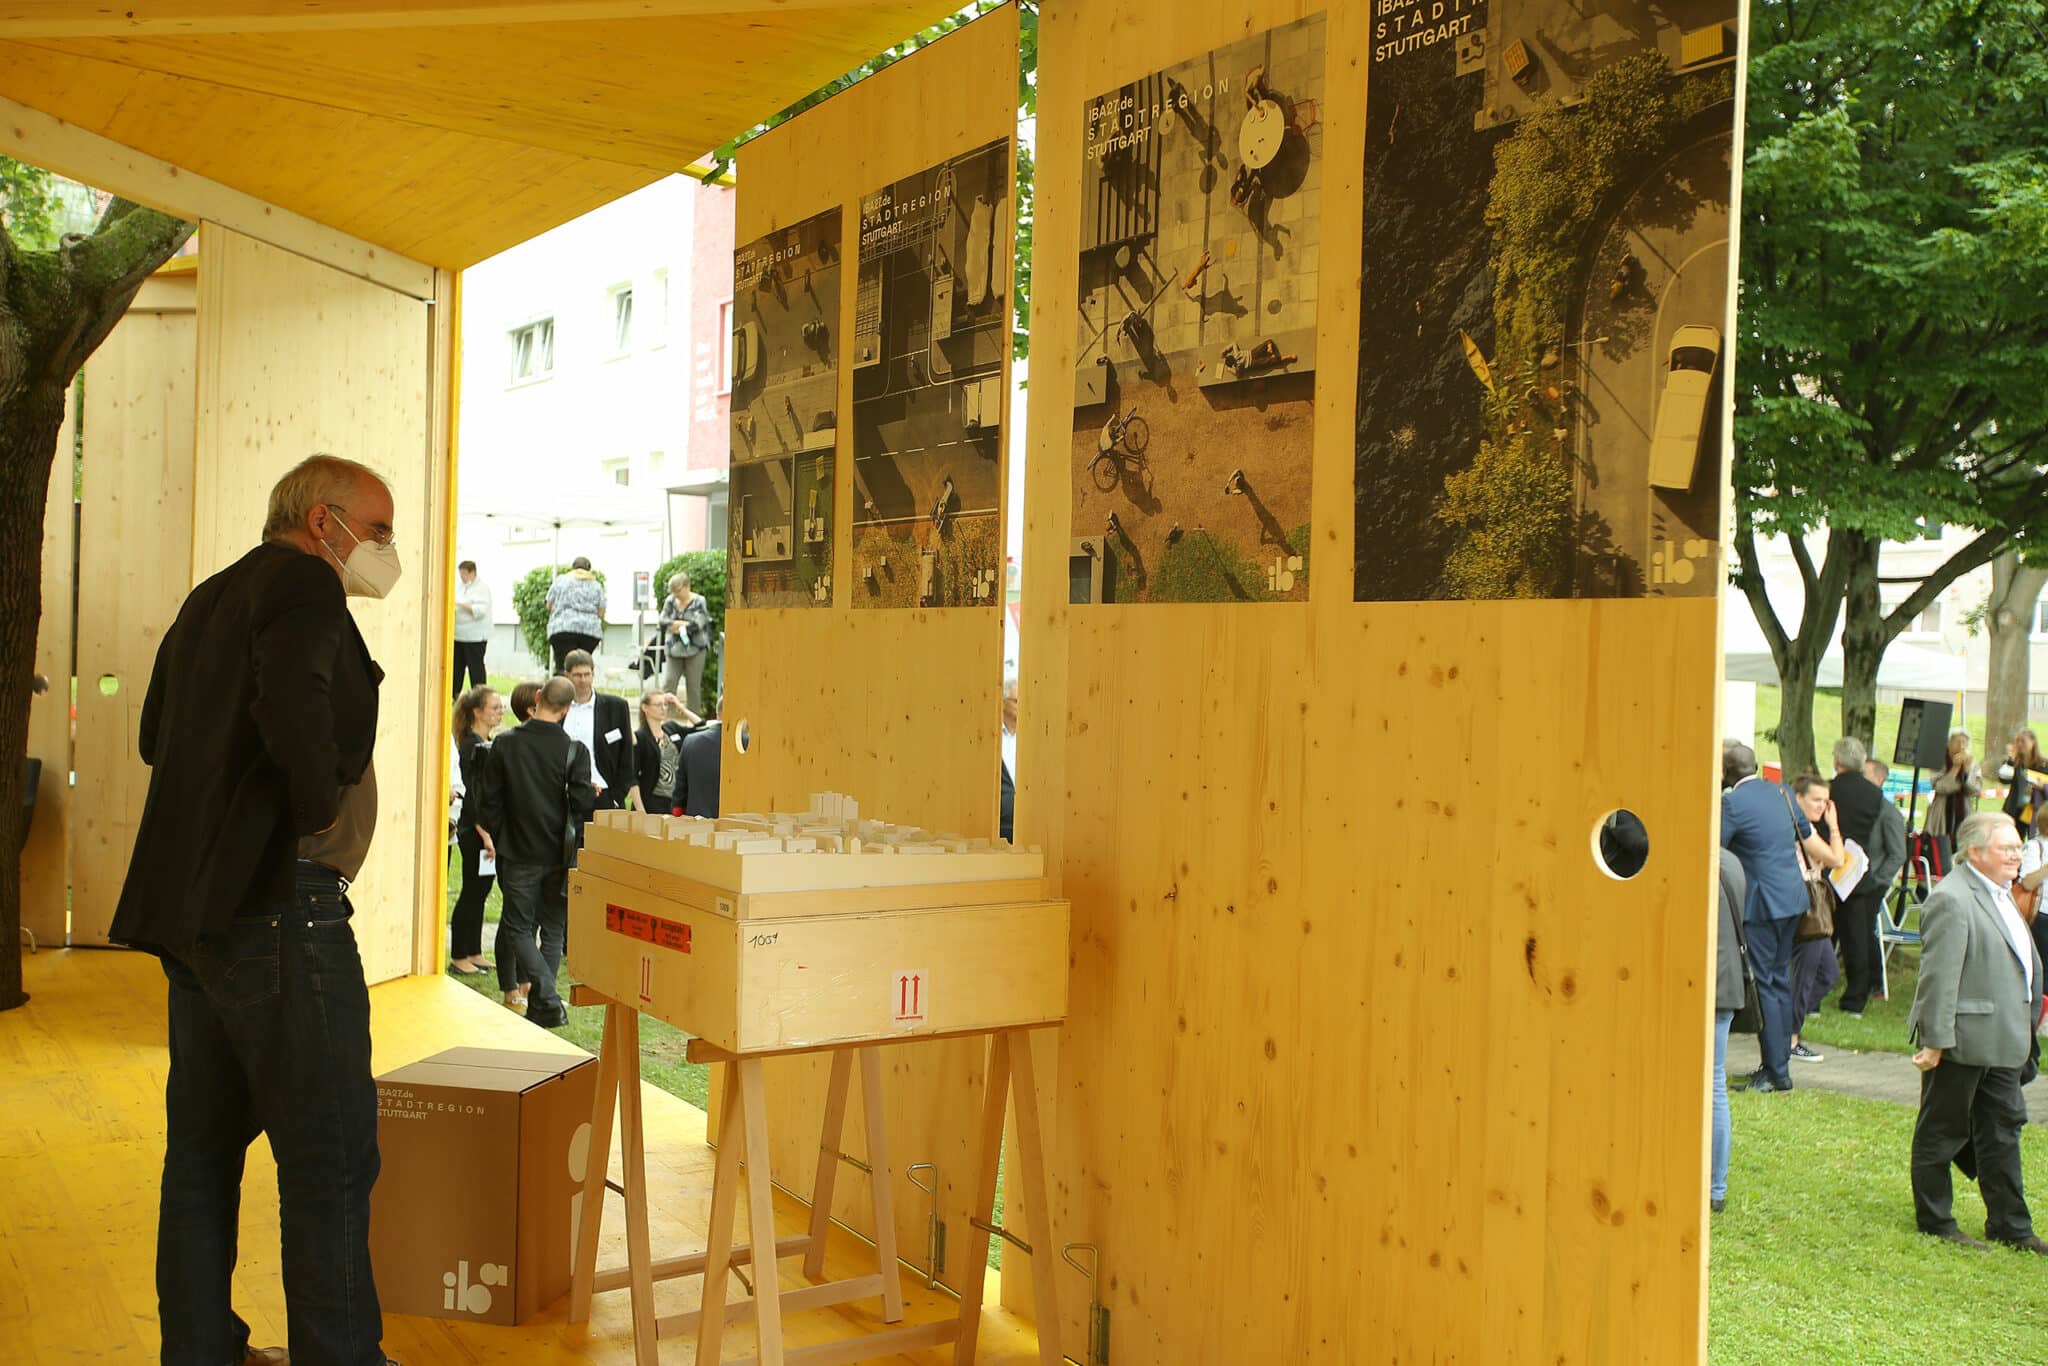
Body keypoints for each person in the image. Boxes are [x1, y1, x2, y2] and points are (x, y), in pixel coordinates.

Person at [109, 452, 402, 1366]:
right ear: (324, 521)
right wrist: (317, 807)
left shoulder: (214, 596)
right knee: (331, 1161)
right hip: (283, 912)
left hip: (203, 921)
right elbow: (291, 709)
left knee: (201, 1156)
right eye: (379, 529)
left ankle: (198, 1351)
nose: (387, 550)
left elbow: (157, 732)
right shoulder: (307, 588)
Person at [1907, 811, 2047, 1252]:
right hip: (1962, 1041)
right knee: (1942, 1129)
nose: (2016, 856)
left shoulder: (2004, 892)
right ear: (1975, 852)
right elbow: (1939, 977)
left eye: (2017, 848)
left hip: (2005, 1041)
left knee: (2003, 1129)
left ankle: (2011, 1225)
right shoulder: (1953, 897)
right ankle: (1935, 1220)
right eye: (2007, 848)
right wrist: (1934, 1042)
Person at [475, 676, 595, 1029]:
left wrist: (500, 834)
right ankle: (546, 1001)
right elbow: (583, 804)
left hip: (518, 851)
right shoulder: (575, 750)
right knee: (553, 929)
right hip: (560, 853)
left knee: (518, 926)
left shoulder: (505, 744)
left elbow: (489, 803)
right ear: (567, 708)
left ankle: (545, 999)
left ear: (539, 698)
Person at [1722, 740, 1837, 1092]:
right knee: (1779, 981)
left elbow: (1716, 850)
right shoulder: (1783, 793)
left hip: (1761, 905)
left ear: (1725, 771)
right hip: (1792, 898)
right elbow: (1804, 835)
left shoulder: (1732, 803)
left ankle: (1775, 1072)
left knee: (1766, 984)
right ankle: (1779, 1064)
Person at [1787, 773, 1846, 1062]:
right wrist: (1834, 827)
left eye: (1825, 801)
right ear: (1798, 799)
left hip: (1813, 904)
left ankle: (1784, 1027)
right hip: (1805, 906)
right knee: (1806, 972)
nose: (1822, 806)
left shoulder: (1807, 827)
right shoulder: (1800, 828)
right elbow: (1836, 859)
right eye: (1816, 800)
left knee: (1827, 972)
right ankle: (1789, 1035)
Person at [1850, 758, 1912, 1013]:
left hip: (1873, 882)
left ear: (1878, 778)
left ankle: (1873, 982)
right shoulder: (1863, 808)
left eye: (1864, 774)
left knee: (1865, 930)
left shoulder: (1888, 813)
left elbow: (1898, 853)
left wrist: (1877, 880)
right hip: (1854, 879)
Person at [449, 686, 503, 974]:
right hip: (474, 832)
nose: (500, 712)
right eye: (494, 707)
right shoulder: (470, 747)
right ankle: (459, 954)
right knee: (471, 890)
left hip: (487, 832)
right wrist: (484, 834)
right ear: (477, 712)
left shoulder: (486, 742)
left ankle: (474, 950)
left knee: (482, 889)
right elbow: (472, 797)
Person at [1711, 851, 1749, 1214]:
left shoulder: (1691, 859)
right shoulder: (1732, 861)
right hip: (1727, 985)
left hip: (1701, 986)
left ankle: (1713, 1184)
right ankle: (1714, 1187)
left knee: (1711, 1087)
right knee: (1715, 1084)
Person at [562, 649, 635, 812]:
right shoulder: (558, 707)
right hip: (565, 795)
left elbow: (626, 754)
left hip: (605, 794)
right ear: (567, 675)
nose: (583, 680)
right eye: (577, 675)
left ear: (593, 674)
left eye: (587, 674)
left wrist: (617, 795)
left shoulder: (616, 707)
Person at [633, 687, 700, 816]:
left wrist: (680, 706)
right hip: (652, 802)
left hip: (674, 802)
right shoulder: (640, 737)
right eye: (658, 705)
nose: (663, 708)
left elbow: (701, 727)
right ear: (645, 708)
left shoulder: (671, 728)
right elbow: (632, 778)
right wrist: (641, 812)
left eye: (665, 704)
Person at [659, 572, 715, 715]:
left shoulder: (699, 601)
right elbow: (663, 621)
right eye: (673, 591)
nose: (675, 594)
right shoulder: (670, 601)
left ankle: (694, 721)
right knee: (669, 683)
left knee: (693, 687)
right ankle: (665, 717)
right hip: (674, 649)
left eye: (678, 590)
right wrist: (680, 624)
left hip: (696, 649)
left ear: (687, 586)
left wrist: (678, 626)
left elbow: (699, 624)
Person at [545, 556, 607, 672]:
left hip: (562, 629)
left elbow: (549, 605)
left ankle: (562, 687)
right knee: (582, 665)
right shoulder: (596, 585)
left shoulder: (560, 581)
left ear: (572, 568)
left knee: (563, 666)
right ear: (589, 569)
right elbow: (601, 612)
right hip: (590, 632)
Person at [1926, 729, 1981, 843]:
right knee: (1940, 845)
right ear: (1949, 743)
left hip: (1964, 810)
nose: (1961, 746)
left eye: (1964, 742)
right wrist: (1955, 769)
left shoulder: (1972, 763)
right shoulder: (1939, 760)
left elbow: (1975, 790)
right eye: (1957, 742)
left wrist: (1966, 772)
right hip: (1942, 812)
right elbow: (1940, 787)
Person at [451, 559, 492, 697]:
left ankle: (479, 695)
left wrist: (462, 605)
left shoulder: (482, 588)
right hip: (458, 635)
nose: (462, 577)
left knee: (476, 668)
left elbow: (480, 611)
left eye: (464, 574)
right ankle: (454, 694)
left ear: (472, 572)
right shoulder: (460, 587)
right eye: (460, 574)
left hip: (475, 636)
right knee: (456, 667)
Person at [679, 695, 723, 819]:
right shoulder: (747, 745)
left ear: (717, 714)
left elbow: (680, 788)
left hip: (695, 823)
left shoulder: (690, 741)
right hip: (736, 827)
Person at [1999, 728, 2045, 839]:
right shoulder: (2015, 762)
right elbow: (2003, 779)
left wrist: (2043, 787)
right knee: (2012, 840)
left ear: (2033, 742)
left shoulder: (2044, 764)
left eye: (2023, 741)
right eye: (2017, 741)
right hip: (2015, 809)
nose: (2019, 744)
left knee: (2035, 841)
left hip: (2035, 809)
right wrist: (2011, 760)